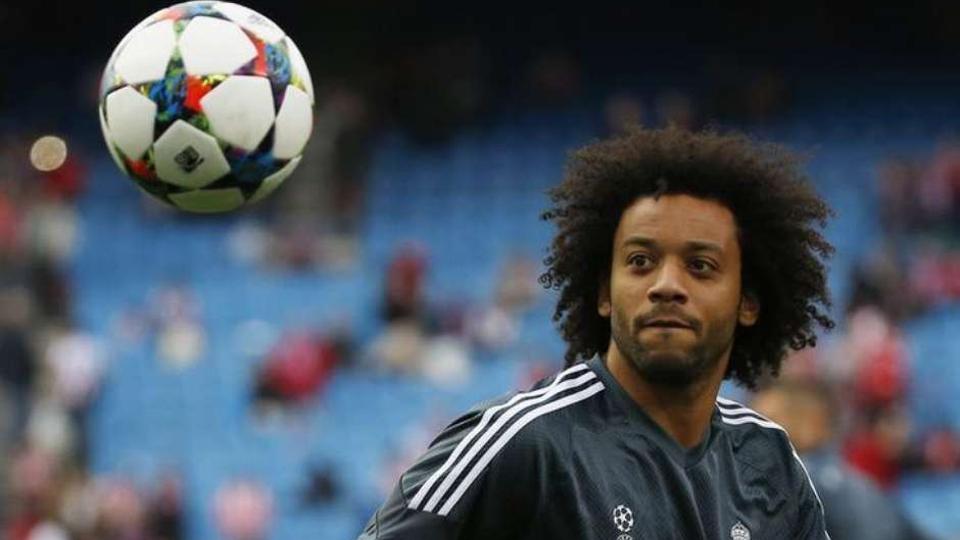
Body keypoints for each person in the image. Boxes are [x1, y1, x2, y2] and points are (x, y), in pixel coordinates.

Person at [358, 127, 836, 539]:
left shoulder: (768, 459)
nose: (667, 286)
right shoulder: (525, 443)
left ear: (747, 302)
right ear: (605, 293)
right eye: (641, 262)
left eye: (700, 266)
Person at [752, 379, 936, 540]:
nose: (752, 432)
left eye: (770, 420)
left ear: (811, 422)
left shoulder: (809, 482)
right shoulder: (861, 484)